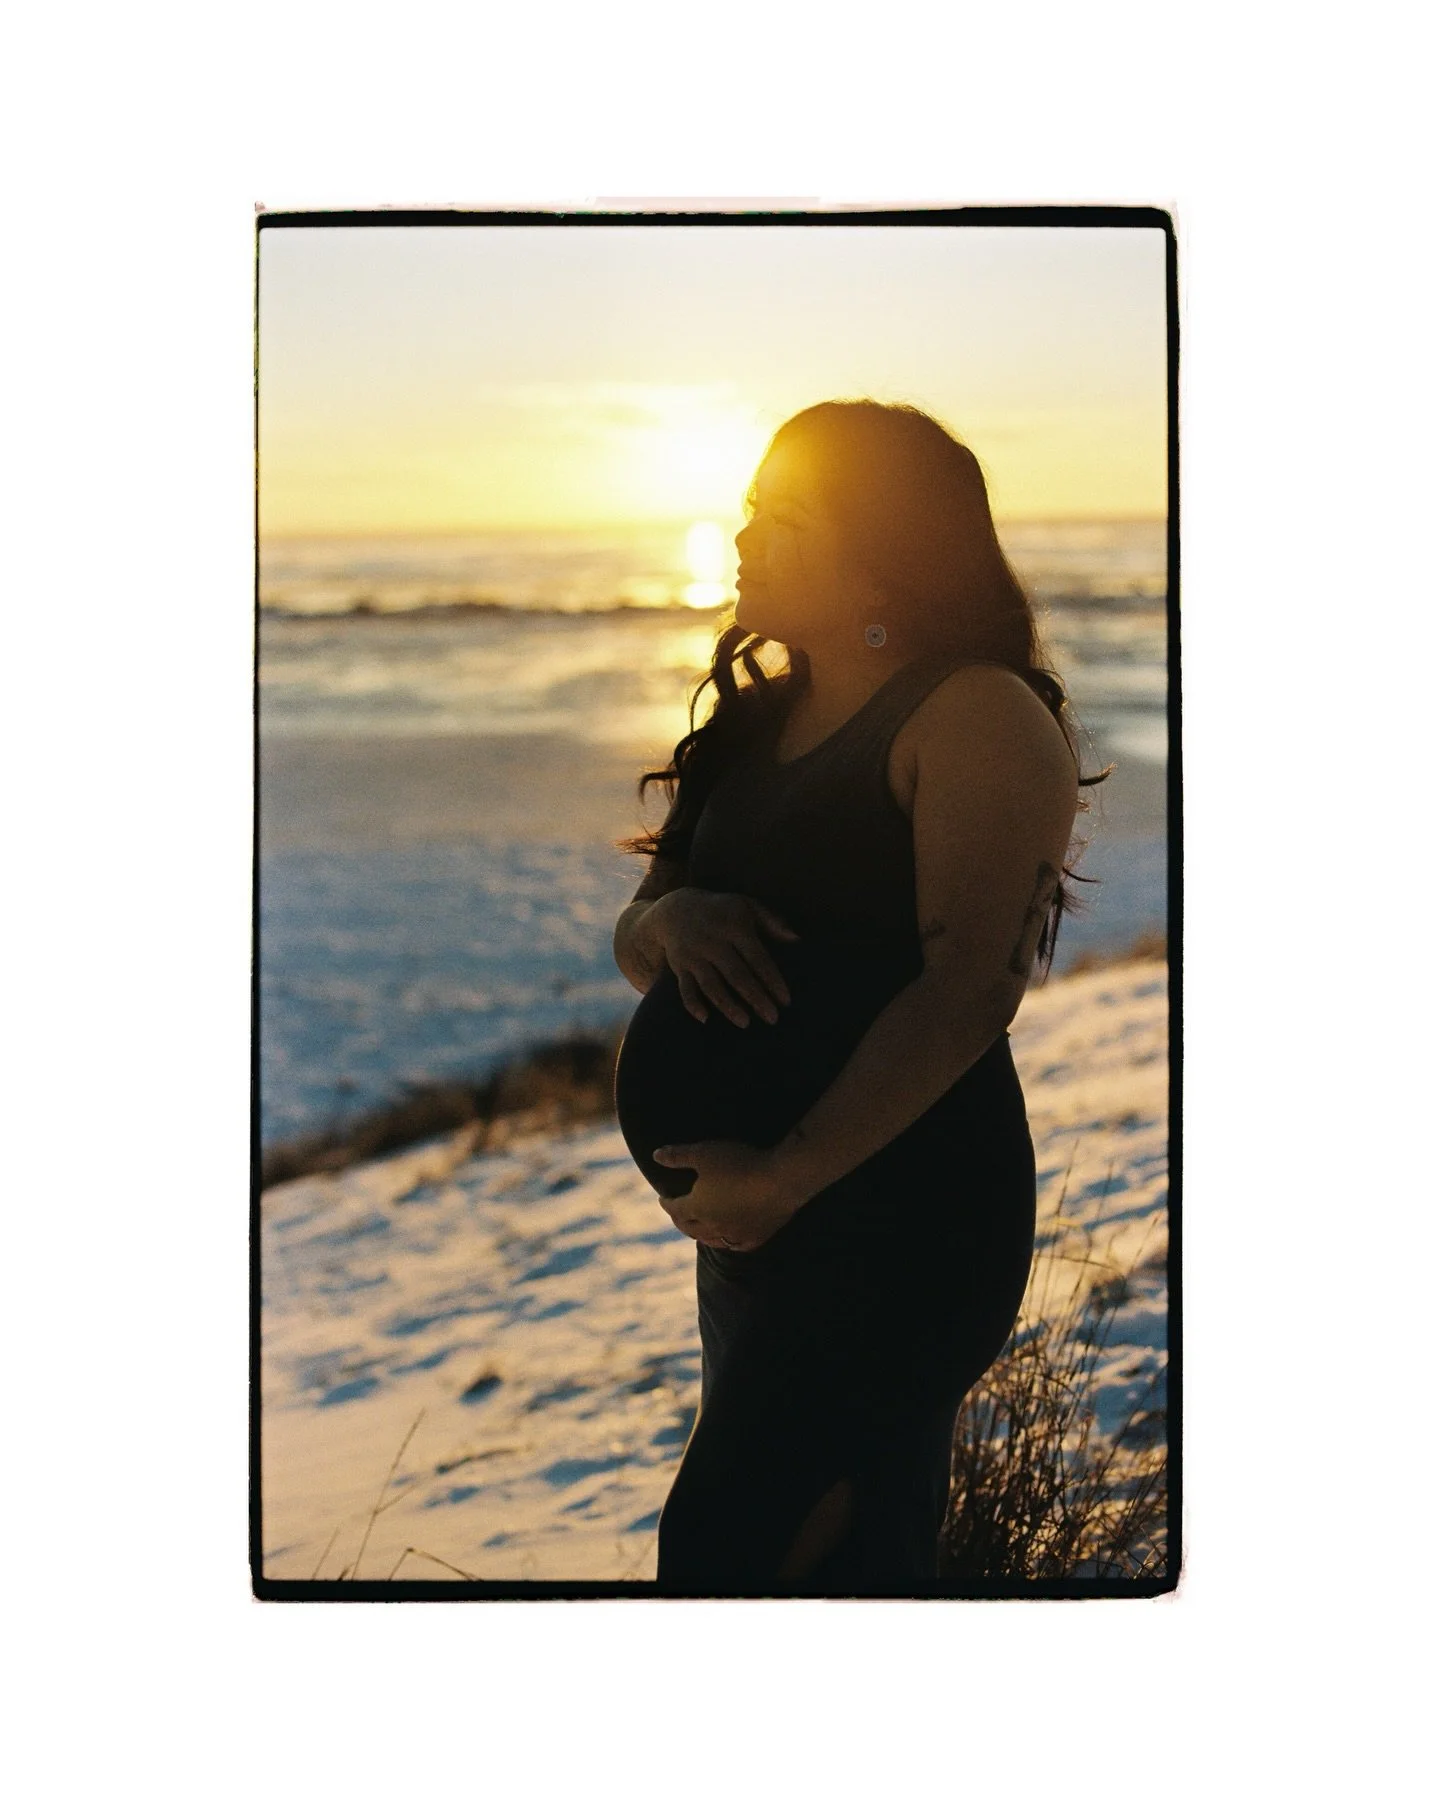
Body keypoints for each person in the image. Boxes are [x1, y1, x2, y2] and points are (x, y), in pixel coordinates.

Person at [610, 399, 1104, 1594]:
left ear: (884, 546)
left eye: (784, 517)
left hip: (900, 1214)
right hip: (757, 1227)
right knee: (844, 1552)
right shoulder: (754, 721)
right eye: (748, 511)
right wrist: (670, 925)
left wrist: (784, 1177)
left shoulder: (972, 715)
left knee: (734, 1549)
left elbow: (968, 994)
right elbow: (635, 939)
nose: (742, 539)